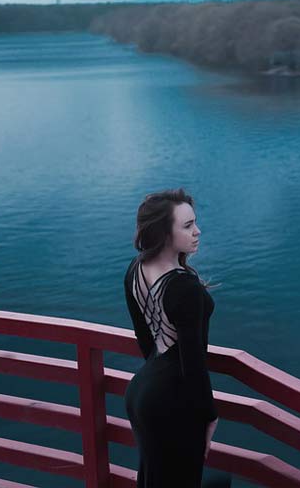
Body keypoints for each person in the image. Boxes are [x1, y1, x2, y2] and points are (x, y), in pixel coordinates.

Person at [123, 188, 223, 487]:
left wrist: (155, 380)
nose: (197, 231)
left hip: (142, 391)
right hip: (173, 402)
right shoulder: (185, 288)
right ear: (165, 233)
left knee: (154, 479)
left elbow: (146, 338)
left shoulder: (136, 268)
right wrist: (210, 415)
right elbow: (193, 363)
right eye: (188, 225)